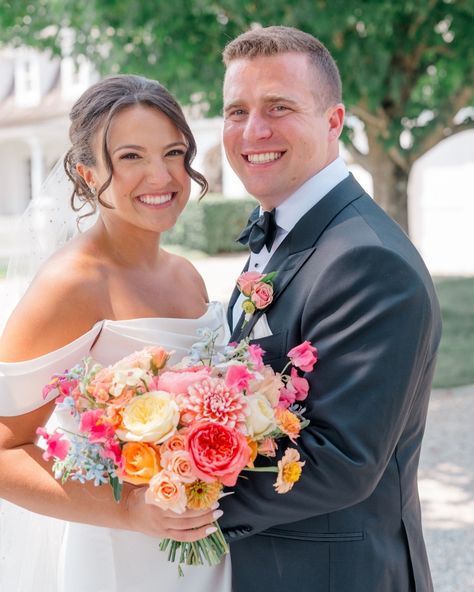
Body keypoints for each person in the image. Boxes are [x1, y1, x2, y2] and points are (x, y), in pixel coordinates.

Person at [219, 26, 441, 592]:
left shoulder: (366, 258)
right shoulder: (289, 233)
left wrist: (177, 498)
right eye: (236, 110)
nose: (253, 130)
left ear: (334, 121)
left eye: (278, 107)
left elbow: (340, 460)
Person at [0, 75, 231, 592]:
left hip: (198, 550)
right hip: (115, 558)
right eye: (131, 157)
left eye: (174, 152)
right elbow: (4, 449)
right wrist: (129, 511)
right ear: (86, 174)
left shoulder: (185, 275)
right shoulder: (72, 285)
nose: (161, 174)